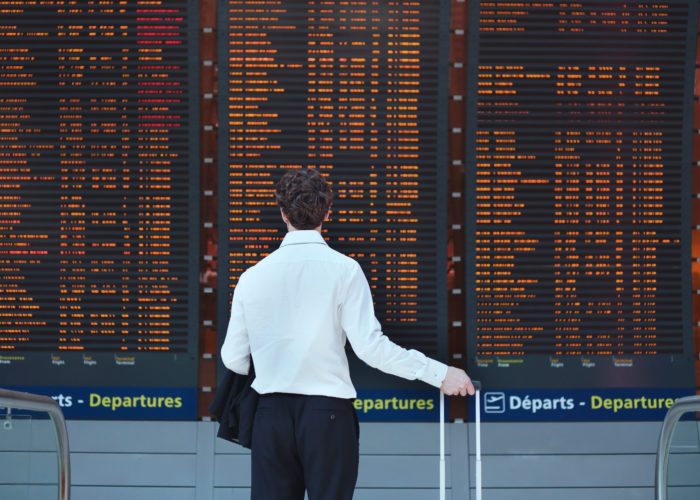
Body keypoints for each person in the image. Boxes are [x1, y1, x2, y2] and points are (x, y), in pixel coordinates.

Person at [221, 167, 475, 500]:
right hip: (327, 417)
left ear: (283, 213)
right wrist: (440, 374)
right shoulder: (345, 270)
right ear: (327, 212)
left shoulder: (252, 277)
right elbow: (371, 349)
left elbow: (233, 359)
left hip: (271, 417)